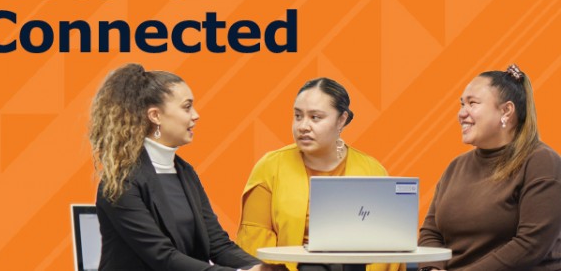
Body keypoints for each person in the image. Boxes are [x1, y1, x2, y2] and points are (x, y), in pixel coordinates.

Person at [90, 63, 286, 271]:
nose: (196, 115)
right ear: (155, 116)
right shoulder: (122, 183)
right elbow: (162, 257)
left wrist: (259, 268)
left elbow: (218, 245)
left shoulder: (185, 172)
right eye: (186, 107)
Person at [236, 77, 404, 271]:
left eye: (315, 117)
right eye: (298, 116)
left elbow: (386, 244)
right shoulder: (270, 167)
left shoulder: (372, 170)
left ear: (341, 119)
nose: (303, 126)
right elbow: (254, 241)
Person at [418, 64, 561, 271]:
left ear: (506, 111)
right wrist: (431, 268)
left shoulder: (542, 163)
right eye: (461, 104)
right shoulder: (455, 166)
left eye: (472, 103)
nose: (461, 114)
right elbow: (431, 232)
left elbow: (530, 245)